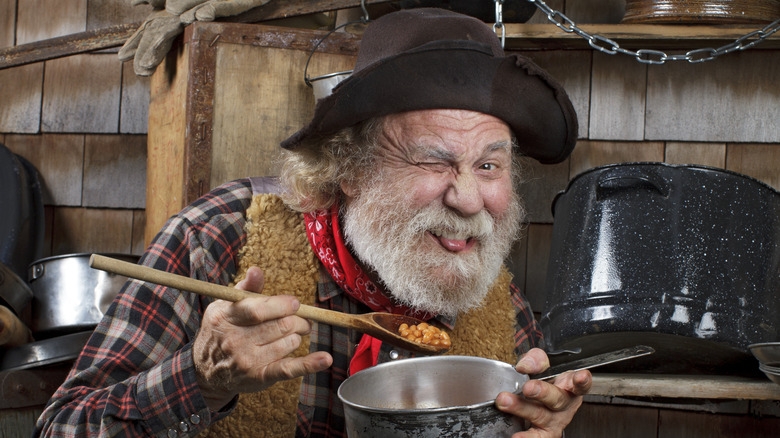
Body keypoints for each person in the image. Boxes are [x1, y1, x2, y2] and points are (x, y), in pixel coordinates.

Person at [35, 7, 590, 438]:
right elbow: (63, 426)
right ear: (348, 169)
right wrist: (201, 382)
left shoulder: (483, 281)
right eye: (432, 159)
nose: (469, 200)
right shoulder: (220, 237)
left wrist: (532, 420)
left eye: (488, 165)